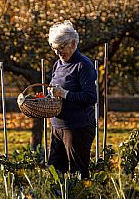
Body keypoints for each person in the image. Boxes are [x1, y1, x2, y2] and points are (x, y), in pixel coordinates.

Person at [47, 20, 97, 179]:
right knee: (55, 171)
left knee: (78, 174)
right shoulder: (58, 64)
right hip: (57, 126)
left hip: (78, 127)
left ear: (73, 43)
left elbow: (91, 97)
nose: (58, 53)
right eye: (55, 49)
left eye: (62, 48)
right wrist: (50, 94)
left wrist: (65, 94)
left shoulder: (83, 65)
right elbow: (56, 89)